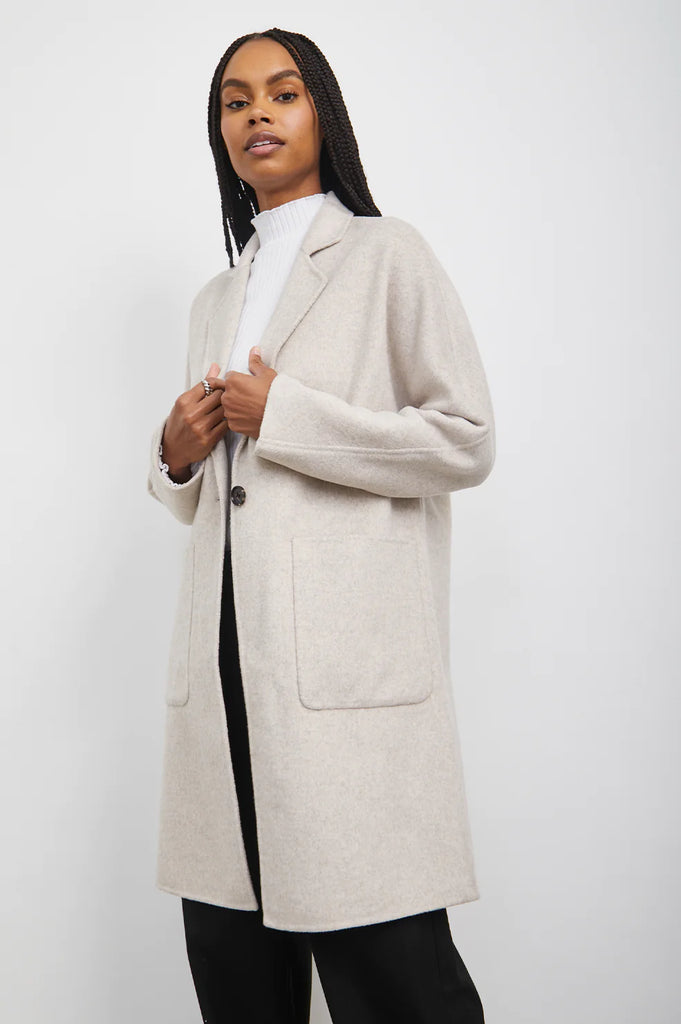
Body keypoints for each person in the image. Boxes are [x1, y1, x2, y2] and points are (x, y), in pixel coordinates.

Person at [147, 26, 495, 1024]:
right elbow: (210, 490)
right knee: (237, 980)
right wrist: (175, 454)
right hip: (225, 678)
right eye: (235, 101)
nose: (256, 112)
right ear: (219, 132)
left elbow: (464, 440)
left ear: (322, 115)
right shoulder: (216, 298)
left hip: (344, 691)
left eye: (283, 92)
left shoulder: (386, 255)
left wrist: (286, 415)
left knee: (396, 983)